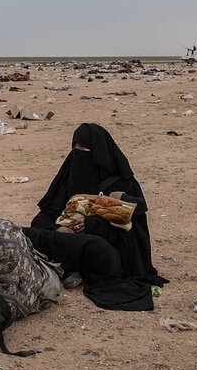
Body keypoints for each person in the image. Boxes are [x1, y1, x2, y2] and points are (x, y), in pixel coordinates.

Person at [23, 123, 168, 311]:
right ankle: (72, 266)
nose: (78, 153)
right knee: (28, 233)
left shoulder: (122, 184)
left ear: (99, 153)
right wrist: (58, 229)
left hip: (108, 251)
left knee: (95, 247)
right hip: (67, 241)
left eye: (84, 149)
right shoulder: (69, 177)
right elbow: (44, 215)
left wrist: (91, 224)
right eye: (75, 148)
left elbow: (130, 235)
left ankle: (70, 267)